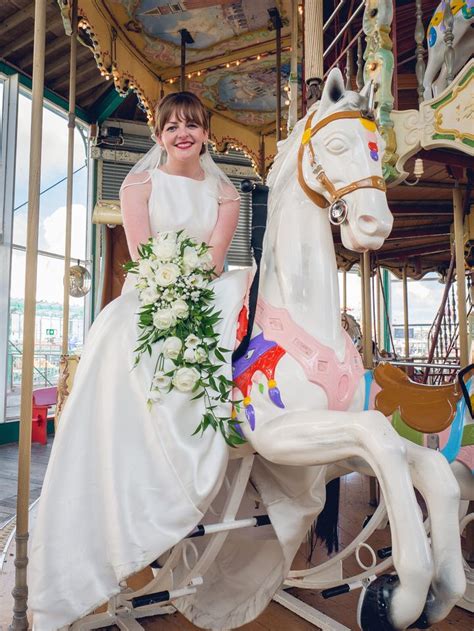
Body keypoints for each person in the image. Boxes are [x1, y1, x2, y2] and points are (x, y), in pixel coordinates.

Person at [28, 92, 253, 629]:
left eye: (192, 126)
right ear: (159, 136)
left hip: (203, 287)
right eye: (172, 126)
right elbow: (144, 251)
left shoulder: (226, 193)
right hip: (151, 290)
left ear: (205, 134)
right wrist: (170, 287)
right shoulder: (140, 184)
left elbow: (218, 258)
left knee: (245, 297)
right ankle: (123, 477)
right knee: (121, 339)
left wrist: (195, 282)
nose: (182, 134)